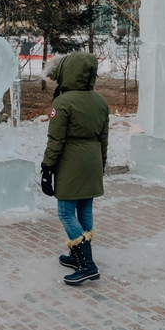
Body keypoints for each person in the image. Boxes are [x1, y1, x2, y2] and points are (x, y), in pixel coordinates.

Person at [40, 52, 109, 286]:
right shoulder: (100, 100)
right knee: (85, 209)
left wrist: (47, 167)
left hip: (71, 162)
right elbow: (104, 137)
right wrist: (102, 161)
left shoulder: (63, 102)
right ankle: (77, 257)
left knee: (66, 212)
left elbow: (55, 140)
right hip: (92, 161)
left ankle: (87, 265)